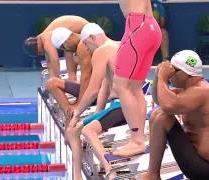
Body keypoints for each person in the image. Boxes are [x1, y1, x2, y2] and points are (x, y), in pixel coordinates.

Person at [141, 50, 209, 180]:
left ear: (185, 74)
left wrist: (163, 78)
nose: (170, 75)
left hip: (203, 169)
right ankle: (152, 174)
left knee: (163, 117)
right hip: (194, 158)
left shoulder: (202, 91)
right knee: (157, 113)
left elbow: (168, 106)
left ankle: (153, 175)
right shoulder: (191, 89)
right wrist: (158, 77)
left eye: (173, 71)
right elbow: (159, 100)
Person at [65, 23, 125, 180]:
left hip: (121, 106)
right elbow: (106, 83)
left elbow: (93, 90)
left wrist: (77, 114)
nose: (86, 48)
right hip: (130, 105)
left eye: (85, 44)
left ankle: (109, 170)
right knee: (77, 129)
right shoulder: (118, 45)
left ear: (92, 37)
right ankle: (78, 176)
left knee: (80, 130)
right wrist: (98, 112)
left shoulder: (101, 51)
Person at [112, 0, 162, 158]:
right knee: (134, 87)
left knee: (120, 86)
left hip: (137, 26)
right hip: (150, 25)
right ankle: (138, 137)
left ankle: (137, 141)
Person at [47, 26, 92, 142]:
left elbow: (86, 77)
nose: (65, 50)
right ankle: (68, 111)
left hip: (96, 90)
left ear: (68, 39)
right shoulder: (78, 48)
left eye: (63, 47)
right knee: (52, 83)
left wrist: (80, 104)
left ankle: (71, 113)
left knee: (68, 139)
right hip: (89, 87)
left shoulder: (83, 45)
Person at [23, 15, 89, 80]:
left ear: (38, 44)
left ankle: (72, 79)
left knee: (68, 52)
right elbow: (49, 63)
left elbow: (54, 60)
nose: (42, 54)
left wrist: (57, 78)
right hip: (79, 30)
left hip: (85, 29)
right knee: (67, 48)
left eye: (40, 52)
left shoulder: (46, 39)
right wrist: (53, 79)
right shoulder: (44, 38)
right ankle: (71, 79)